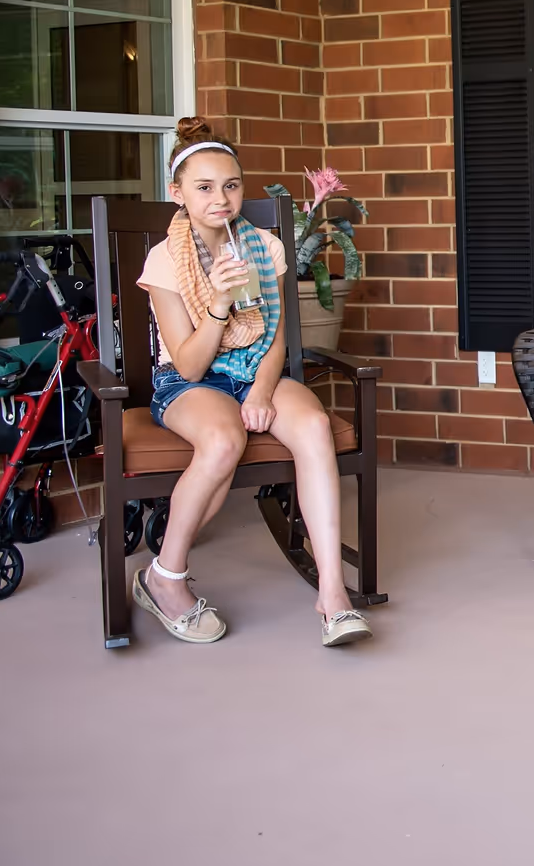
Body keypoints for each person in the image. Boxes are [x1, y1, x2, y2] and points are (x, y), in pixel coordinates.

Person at [133, 117, 372, 647]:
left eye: (231, 185)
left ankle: (333, 594)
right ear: (177, 193)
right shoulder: (165, 262)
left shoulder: (263, 247)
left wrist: (264, 391)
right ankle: (163, 578)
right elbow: (190, 366)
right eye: (204, 187)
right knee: (223, 440)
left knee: (311, 425)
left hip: (252, 371)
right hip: (190, 382)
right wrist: (218, 304)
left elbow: (276, 339)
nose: (221, 198)